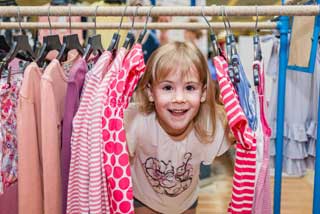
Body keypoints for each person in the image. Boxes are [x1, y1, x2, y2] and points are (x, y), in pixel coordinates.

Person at [124, 41, 233, 214]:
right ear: (151, 92)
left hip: (187, 203)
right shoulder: (136, 121)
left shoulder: (210, 125)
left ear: (203, 92)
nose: (179, 98)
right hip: (144, 200)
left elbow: (239, 132)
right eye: (168, 87)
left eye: (190, 88)